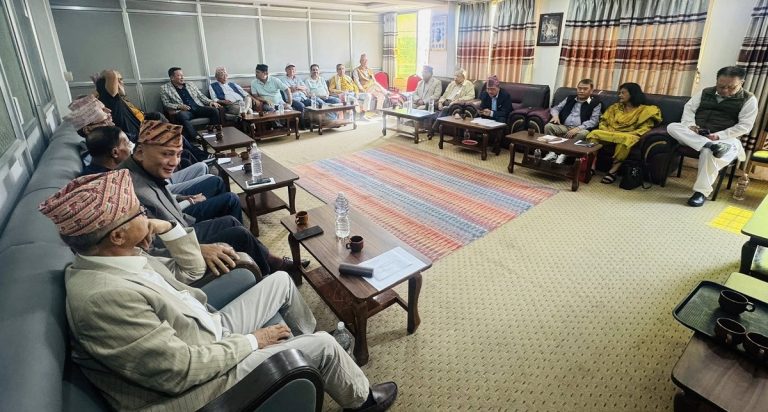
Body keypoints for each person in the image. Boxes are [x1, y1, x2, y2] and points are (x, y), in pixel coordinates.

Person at [38, 169, 398, 412]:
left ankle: (308, 354)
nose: (145, 216)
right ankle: (363, 401)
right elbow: (180, 371)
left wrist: (165, 227)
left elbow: (193, 269)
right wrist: (255, 340)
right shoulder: (104, 298)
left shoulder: (118, 257)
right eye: (138, 213)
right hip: (197, 384)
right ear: (116, 235)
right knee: (322, 344)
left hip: (206, 330)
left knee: (281, 283)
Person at [119, 120, 303, 276]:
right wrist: (198, 249)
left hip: (182, 228)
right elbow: (146, 251)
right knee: (240, 234)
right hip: (179, 247)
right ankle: (265, 276)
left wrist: (182, 197)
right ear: (141, 151)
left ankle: (267, 259)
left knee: (231, 220)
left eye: (178, 154)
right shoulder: (127, 191)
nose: (174, 162)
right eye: (166, 154)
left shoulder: (142, 169)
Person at [667, 66, 758, 206]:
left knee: (710, 152)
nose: (725, 90)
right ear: (716, 81)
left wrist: (718, 136)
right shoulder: (705, 92)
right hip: (696, 134)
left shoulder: (749, 99)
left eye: (731, 87)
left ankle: (701, 192)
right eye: (721, 86)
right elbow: (689, 109)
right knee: (672, 127)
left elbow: (745, 126)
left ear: (742, 83)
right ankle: (710, 145)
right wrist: (691, 125)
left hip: (725, 138)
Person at [81, 125, 223, 212]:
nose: (131, 147)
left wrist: (181, 197)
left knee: (201, 166)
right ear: (115, 152)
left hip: (163, 191)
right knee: (216, 182)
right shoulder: (112, 183)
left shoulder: (106, 166)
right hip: (172, 216)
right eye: (126, 143)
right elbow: (156, 210)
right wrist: (189, 201)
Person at [587, 82, 661, 184]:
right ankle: (591, 166)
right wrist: (605, 129)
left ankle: (613, 171)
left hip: (629, 135)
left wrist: (633, 133)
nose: (619, 95)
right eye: (619, 93)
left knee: (626, 139)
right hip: (610, 133)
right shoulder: (615, 107)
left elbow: (645, 127)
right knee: (594, 133)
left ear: (633, 94)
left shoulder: (645, 110)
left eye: (623, 93)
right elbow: (603, 121)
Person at [160, 66, 219, 162]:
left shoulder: (190, 84)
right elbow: (166, 103)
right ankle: (196, 138)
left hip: (197, 107)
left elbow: (201, 96)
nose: (182, 77)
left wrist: (210, 102)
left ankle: (211, 135)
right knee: (182, 116)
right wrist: (179, 106)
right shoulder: (164, 88)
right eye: (179, 75)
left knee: (214, 111)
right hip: (185, 111)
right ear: (172, 77)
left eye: (182, 75)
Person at [93, 69, 167, 142]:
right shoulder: (110, 99)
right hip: (137, 135)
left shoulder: (115, 98)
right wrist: (102, 76)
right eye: (118, 80)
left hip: (140, 124)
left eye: (121, 79)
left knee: (158, 116)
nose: (121, 82)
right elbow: (111, 74)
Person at [542, 78, 602, 164]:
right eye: (579, 88)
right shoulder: (570, 98)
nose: (581, 91)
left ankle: (563, 155)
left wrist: (578, 128)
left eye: (585, 89)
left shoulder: (595, 103)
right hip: (564, 126)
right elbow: (556, 108)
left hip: (580, 129)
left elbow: (594, 121)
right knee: (549, 126)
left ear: (591, 90)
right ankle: (552, 153)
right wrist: (555, 115)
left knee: (583, 133)